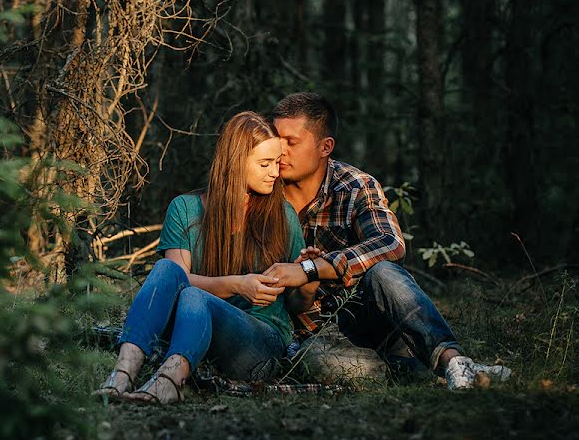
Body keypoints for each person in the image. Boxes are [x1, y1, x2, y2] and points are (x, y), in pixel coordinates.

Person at [262, 92, 512, 390]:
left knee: (384, 271)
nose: (281, 150)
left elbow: (390, 244)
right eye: (277, 139)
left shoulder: (354, 186)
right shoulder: (264, 188)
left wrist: (313, 269)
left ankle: (452, 359)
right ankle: (439, 373)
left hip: (375, 315)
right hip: (318, 334)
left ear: (325, 147)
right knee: (314, 362)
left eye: (291, 142)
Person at [94, 111, 319, 404]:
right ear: (235, 162)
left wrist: (308, 277)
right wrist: (238, 284)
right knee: (167, 270)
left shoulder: (282, 215)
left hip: (259, 342)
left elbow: (298, 304)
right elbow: (175, 280)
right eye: (265, 164)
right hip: (191, 332)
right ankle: (123, 374)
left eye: (276, 162)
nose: (275, 172)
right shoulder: (185, 209)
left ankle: (169, 382)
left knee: (194, 296)